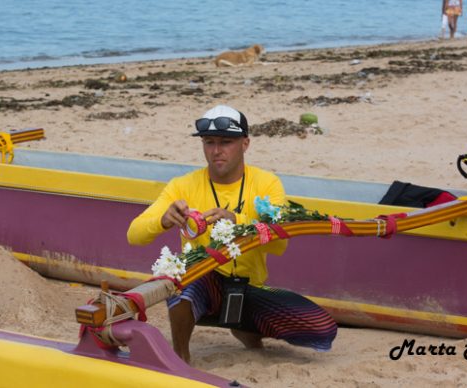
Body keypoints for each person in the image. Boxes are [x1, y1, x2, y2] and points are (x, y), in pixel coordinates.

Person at [127, 105, 337, 363]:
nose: (216, 151)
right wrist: (163, 220)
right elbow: (134, 235)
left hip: (249, 288)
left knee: (322, 328)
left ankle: (245, 329)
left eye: (226, 142)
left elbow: (280, 244)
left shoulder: (267, 183)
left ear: (245, 143)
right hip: (204, 287)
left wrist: (237, 221)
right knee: (179, 277)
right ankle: (181, 356)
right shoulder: (182, 185)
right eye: (209, 142)